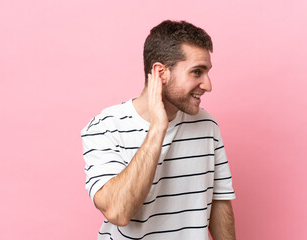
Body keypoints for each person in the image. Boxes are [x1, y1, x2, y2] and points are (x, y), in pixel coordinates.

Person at [81, 20, 236, 240]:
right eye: (196, 72)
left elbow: (219, 202)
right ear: (161, 73)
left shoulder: (207, 125)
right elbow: (118, 212)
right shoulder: (105, 127)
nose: (208, 85)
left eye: (207, 72)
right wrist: (158, 128)